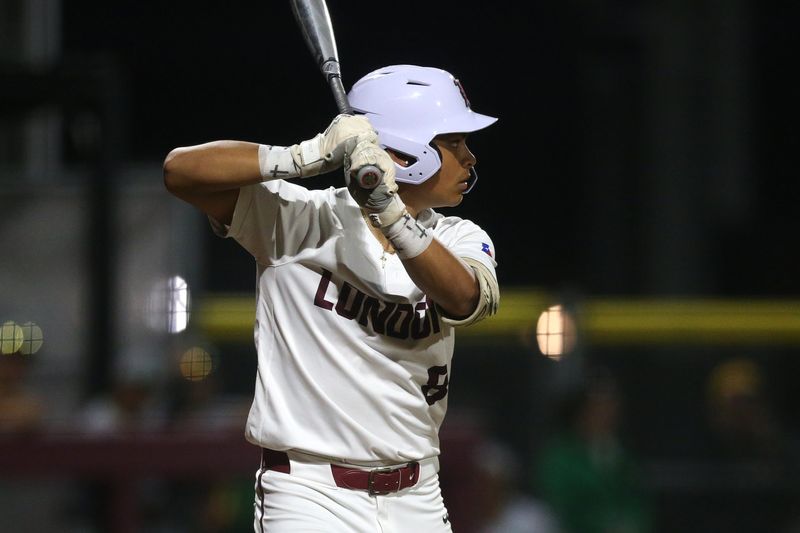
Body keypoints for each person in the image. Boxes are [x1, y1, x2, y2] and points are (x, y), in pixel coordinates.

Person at [163, 64, 500, 532]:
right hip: (311, 495)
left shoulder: (459, 236)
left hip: (418, 494)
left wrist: (390, 213)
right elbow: (180, 171)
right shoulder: (300, 219)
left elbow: (466, 299)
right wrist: (308, 155)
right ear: (409, 151)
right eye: (454, 142)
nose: (470, 158)